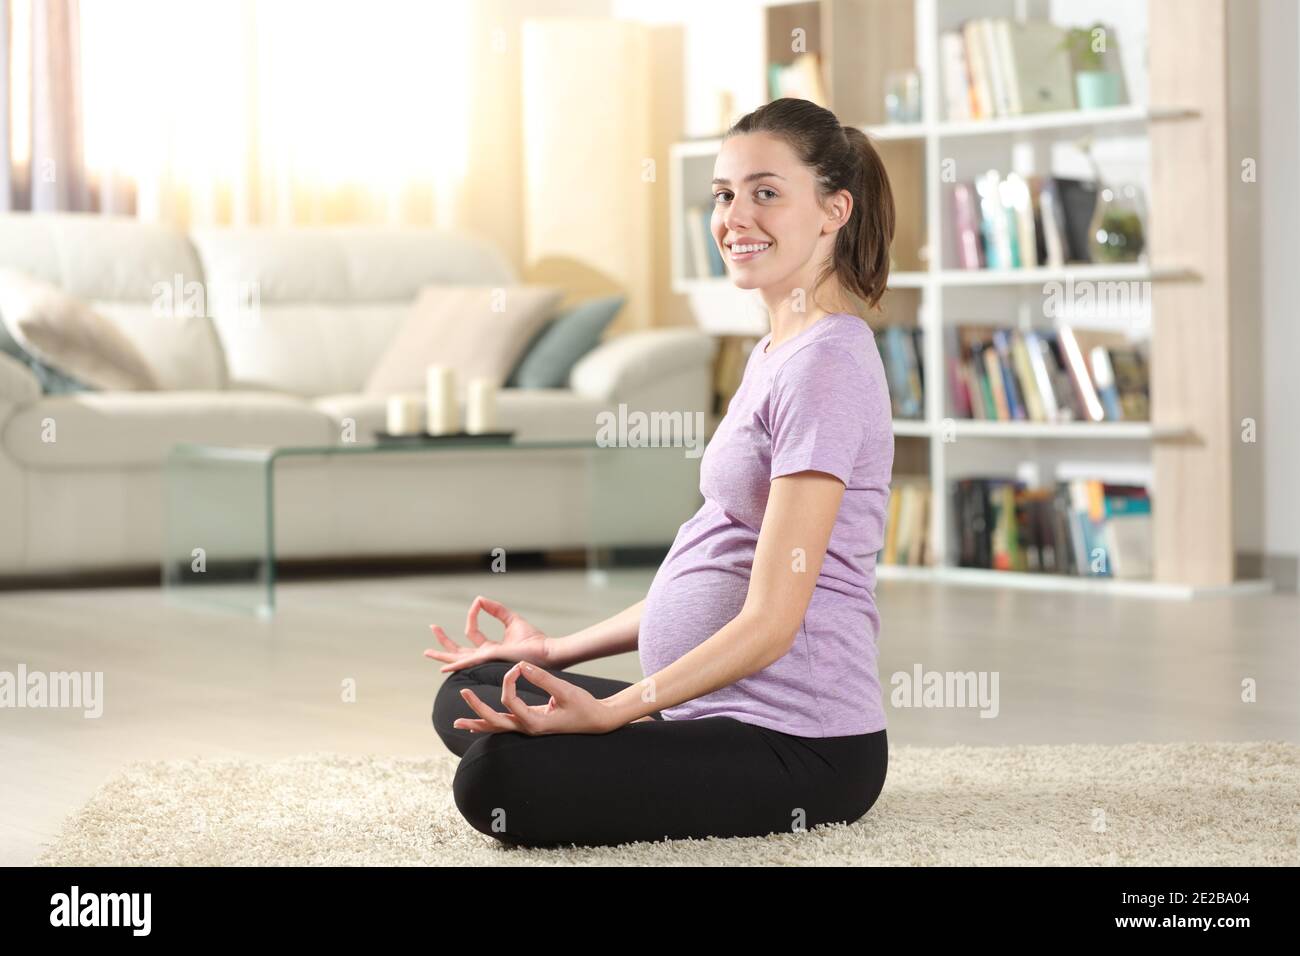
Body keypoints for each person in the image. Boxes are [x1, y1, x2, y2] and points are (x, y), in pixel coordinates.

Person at [427, 97, 897, 848]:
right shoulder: (775, 350)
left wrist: (615, 711)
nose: (735, 217)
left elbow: (772, 621)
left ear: (834, 209)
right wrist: (553, 652)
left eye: (766, 192)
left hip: (801, 744)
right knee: (473, 695)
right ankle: (643, 735)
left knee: (496, 780)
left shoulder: (827, 366)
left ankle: (635, 740)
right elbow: (716, 569)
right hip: (705, 710)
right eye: (724, 195)